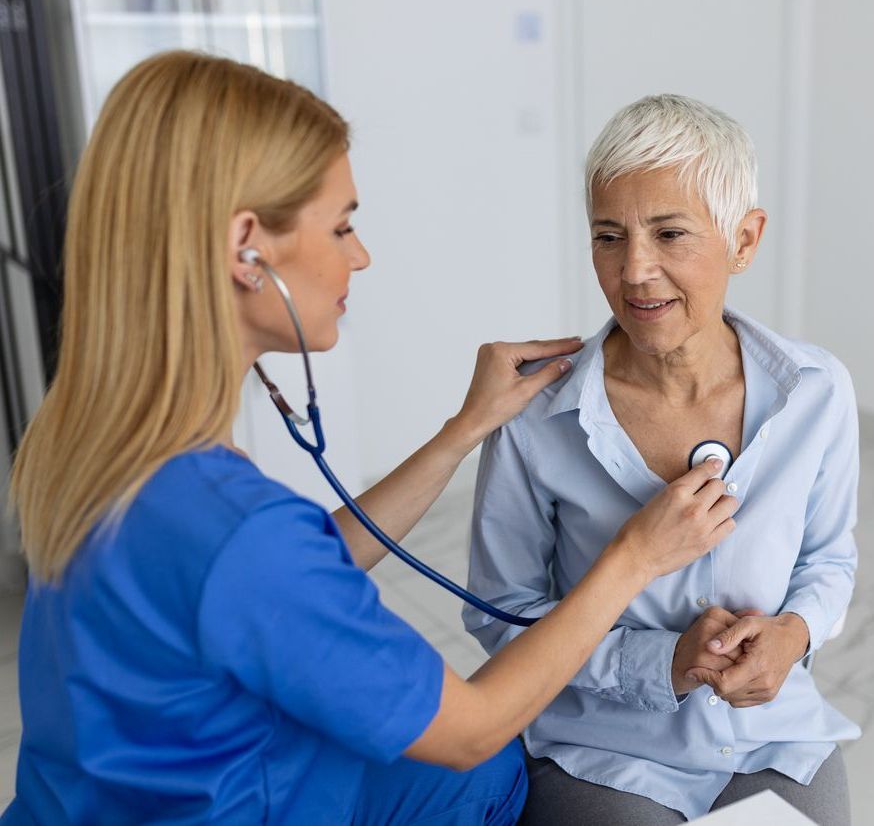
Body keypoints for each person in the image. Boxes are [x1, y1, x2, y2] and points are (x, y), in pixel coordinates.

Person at [2, 57, 737, 824]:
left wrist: (462, 432)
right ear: (247, 248)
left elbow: (288, 573)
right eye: (343, 225)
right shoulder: (237, 530)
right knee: (485, 769)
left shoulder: (104, 445)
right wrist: (635, 558)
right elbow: (472, 726)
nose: (361, 255)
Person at [463, 93, 860, 825]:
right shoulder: (535, 417)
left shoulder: (817, 391)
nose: (635, 270)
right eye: (608, 236)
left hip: (771, 737)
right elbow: (500, 614)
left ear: (745, 239)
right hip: (604, 745)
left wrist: (794, 634)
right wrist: (661, 664)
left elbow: (830, 559)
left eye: (669, 233)